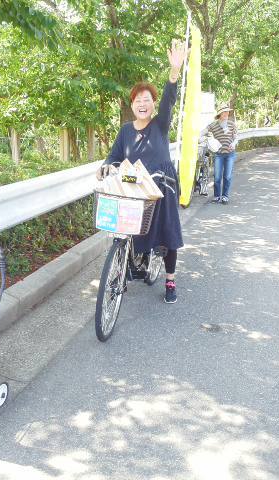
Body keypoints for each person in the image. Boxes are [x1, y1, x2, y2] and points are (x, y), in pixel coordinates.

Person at [96, 39, 187, 304]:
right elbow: (113, 157)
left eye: (147, 99)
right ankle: (130, 262)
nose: (142, 103)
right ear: (132, 104)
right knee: (126, 229)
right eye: (138, 100)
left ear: (152, 104)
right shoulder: (125, 130)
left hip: (162, 185)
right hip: (134, 188)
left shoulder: (160, 124)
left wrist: (174, 71)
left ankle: (170, 280)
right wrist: (105, 167)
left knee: (168, 235)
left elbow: (170, 100)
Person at [201, 104, 238, 204]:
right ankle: (217, 196)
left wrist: (233, 144)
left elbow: (236, 138)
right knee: (217, 176)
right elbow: (203, 132)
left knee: (227, 176)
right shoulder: (213, 125)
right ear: (219, 114)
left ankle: (225, 196)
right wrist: (196, 138)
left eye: (227, 111)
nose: (226, 113)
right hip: (219, 154)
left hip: (230, 154)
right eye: (224, 112)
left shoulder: (232, 124)